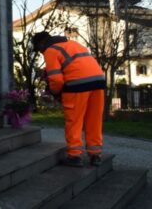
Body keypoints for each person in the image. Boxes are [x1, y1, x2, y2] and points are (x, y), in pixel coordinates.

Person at [32, 31, 106, 167]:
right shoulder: (72, 44)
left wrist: (55, 93)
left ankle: (74, 156)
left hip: (77, 85)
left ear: (41, 43)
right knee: (94, 119)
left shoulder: (50, 50)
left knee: (74, 120)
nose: (41, 52)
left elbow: (56, 79)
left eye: (39, 49)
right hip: (98, 81)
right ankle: (95, 155)